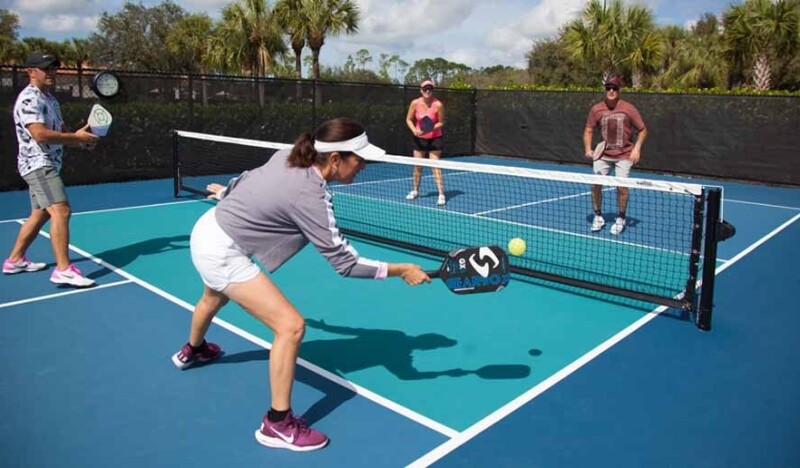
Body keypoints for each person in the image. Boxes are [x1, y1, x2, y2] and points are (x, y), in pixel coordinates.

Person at [171, 118, 430, 452]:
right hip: (222, 251)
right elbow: (346, 264)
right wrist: (402, 269)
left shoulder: (288, 154)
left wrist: (228, 193)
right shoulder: (312, 196)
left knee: (213, 296)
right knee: (290, 327)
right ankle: (277, 424)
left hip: (208, 228)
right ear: (335, 159)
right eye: (359, 159)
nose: (364, 166)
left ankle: (193, 351)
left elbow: (249, 179)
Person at [3, 52, 99, 286]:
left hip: (47, 162)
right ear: (31, 72)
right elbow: (40, 134)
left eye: (54, 69)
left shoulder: (50, 100)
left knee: (40, 213)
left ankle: (14, 260)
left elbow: (62, 132)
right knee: (61, 211)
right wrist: (74, 137)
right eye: (47, 69)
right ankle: (63, 269)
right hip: (38, 163)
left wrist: (81, 140)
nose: (52, 73)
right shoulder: (29, 99)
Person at [583, 75, 647, 235]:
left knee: (622, 188)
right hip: (602, 155)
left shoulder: (628, 109)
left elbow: (643, 130)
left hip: (624, 154)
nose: (611, 91)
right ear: (605, 89)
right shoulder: (596, 109)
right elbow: (589, 129)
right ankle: (598, 216)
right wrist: (588, 149)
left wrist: (636, 149)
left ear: (619, 90)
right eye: (608, 88)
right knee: (595, 185)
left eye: (615, 88)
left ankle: (620, 218)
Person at [405, 78, 446, 206]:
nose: (428, 91)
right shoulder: (415, 103)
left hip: (434, 138)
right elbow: (408, 119)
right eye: (425, 89)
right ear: (421, 90)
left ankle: (441, 194)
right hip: (419, 139)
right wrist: (414, 131)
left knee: (435, 166)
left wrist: (429, 128)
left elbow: (441, 122)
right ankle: (416, 190)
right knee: (418, 166)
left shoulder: (438, 104)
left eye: (430, 89)